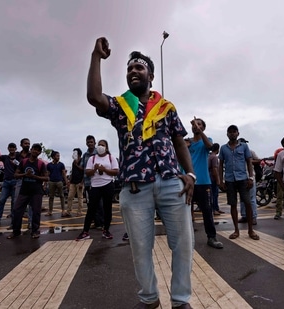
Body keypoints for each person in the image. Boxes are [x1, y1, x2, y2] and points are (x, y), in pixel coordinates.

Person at [86, 37, 195, 309]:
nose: (133, 71)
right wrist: (96, 57)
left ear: (151, 75)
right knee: (140, 250)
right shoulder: (121, 107)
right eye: (129, 69)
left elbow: (179, 141)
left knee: (183, 245)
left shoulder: (167, 108)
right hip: (135, 189)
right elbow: (94, 97)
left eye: (139, 68)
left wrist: (190, 175)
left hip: (172, 183)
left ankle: (181, 301)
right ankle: (149, 298)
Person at [218, 125, 260, 241]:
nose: (232, 134)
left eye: (234, 132)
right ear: (227, 134)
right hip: (230, 180)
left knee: (248, 203)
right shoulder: (223, 148)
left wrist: (251, 178)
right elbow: (221, 165)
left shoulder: (244, 146)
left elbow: (249, 162)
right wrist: (220, 181)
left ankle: (251, 230)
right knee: (232, 204)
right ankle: (236, 230)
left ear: (238, 133)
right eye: (230, 132)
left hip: (243, 179)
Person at [188, 118, 223, 249]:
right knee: (186, 211)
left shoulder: (207, 140)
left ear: (203, 127)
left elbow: (209, 147)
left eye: (199, 124)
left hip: (203, 182)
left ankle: (211, 237)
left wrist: (200, 131)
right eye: (194, 124)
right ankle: (187, 238)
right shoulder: (187, 142)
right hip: (188, 181)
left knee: (207, 211)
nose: (196, 126)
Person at [76, 139, 119, 240]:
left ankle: (106, 230)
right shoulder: (92, 158)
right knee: (91, 209)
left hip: (108, 185)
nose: (100, 147)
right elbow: (87, 173)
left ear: (106, 147)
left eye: (102, 145)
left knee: (107, 208)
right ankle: (85, 231)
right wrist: (95, 169)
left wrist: (104, 170)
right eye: (99, 145)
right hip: (95, 186)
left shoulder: (111, 158)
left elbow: (116, 172)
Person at [7, 143, 48, 239]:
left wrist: (34, 176)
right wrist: (25, 174)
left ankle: (35, 231)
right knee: (17, 210)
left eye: (38, 150)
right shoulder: (24, 162)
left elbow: (46, 178)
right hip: (24, 190)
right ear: (31, 150)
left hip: (36, 191)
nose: (36, 151)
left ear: (39, 152)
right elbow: (16, 175)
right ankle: (16, 231)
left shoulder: (41, 164)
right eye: (34, 149)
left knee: (36, 211)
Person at [0, 143, 19, 226]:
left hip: (15, 181)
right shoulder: (5, 157)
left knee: (14, 202)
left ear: (16, 148)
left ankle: (13, 220)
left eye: (13, 147)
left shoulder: (18, 158)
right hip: (6, 181)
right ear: (8, 148)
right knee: (2, 200)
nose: (12, 149)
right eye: (10, 147)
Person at [81, 135, 103, 229]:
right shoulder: (85, 155)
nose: (90, 143)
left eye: (91, 142)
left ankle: (102, 223)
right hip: (87, 183)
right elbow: (83, 168)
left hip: (97, 182)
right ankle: (96, 222)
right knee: (90, 204)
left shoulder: (98, 153)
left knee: (99, 204)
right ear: (86, 143)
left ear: (94, 143)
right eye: (88, 142)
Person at [46, 151, 69, 216]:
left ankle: (63, 210)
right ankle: (50, 211)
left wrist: (66, 182)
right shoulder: (49, 165)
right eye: (57, 156)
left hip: (59, 181)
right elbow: (47, 174)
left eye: (59, 156)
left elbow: (64, 173)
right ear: (53, 157)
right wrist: (45, 183)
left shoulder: (61, 164)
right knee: (51, 197)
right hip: (51, 182)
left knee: (62, 196)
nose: (58, 157)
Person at [67, 148, 85, 217]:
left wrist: (82, 182)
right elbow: (73, 171)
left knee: (80, 197)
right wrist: (69, 180)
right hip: (73, 182)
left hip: (79, 182)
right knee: (70, 197)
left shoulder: (82, 161)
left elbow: (84, 171)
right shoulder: (73, 162)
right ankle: (68, 211)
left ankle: (79, 212)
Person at [208, 143, 222, 215]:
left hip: (209, 176)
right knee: (214, 194)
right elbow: (215, 169)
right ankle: (214, 209)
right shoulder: (214, 157)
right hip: (212, 178)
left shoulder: (209, 156)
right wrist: (218, 179)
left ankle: (216, 208)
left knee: (213, 194)